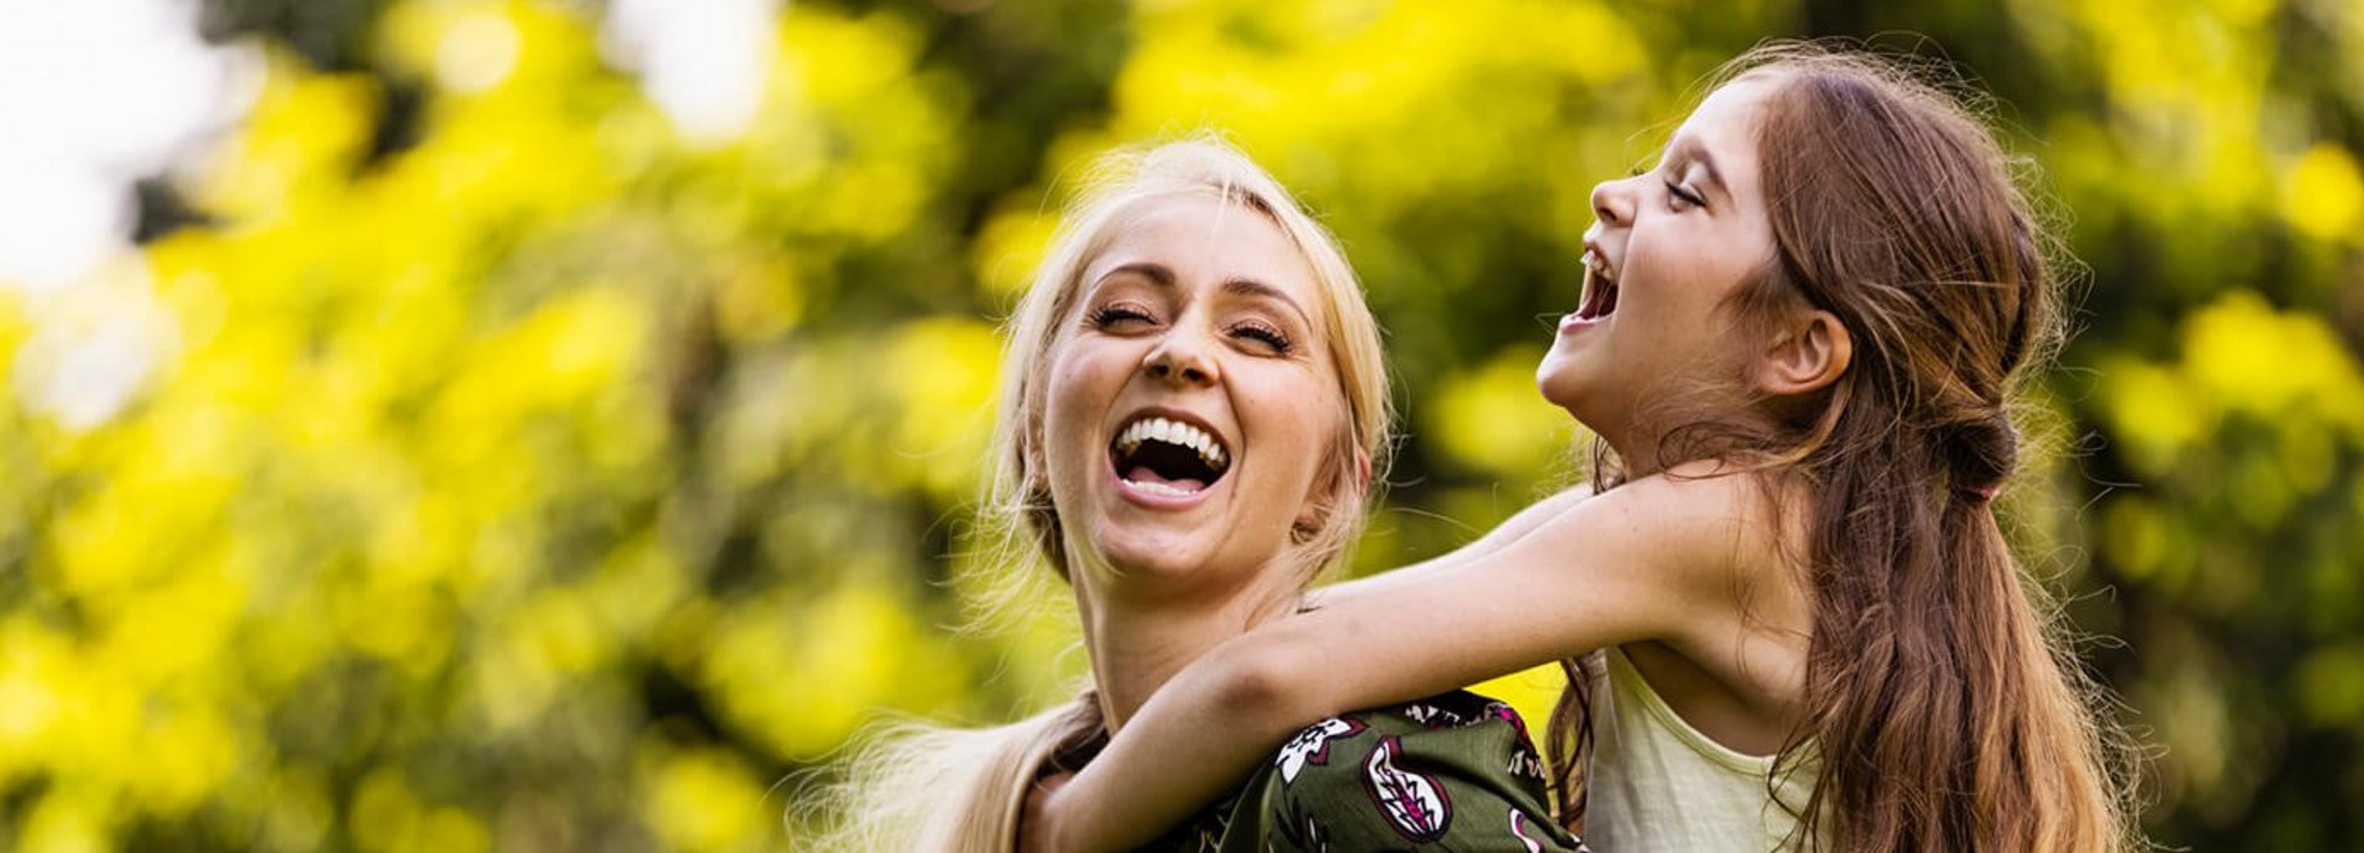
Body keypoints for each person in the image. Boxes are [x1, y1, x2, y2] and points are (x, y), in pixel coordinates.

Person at [1024, 43, 2138, 852]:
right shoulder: (1729, 532)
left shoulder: (1737, 525)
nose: (1615, 193)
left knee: (1354, 773)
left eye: (1684, 193)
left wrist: (1063, 822)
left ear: (1800, 349)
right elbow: (1341, 627)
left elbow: (1277, 670)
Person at [797, 137, 1583, 851]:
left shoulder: (1354, 780)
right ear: (1034, 431)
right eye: (1128, 314)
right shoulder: (1014, 816)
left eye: (1259, 335)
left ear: (1332, 482)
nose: (1180, 351)